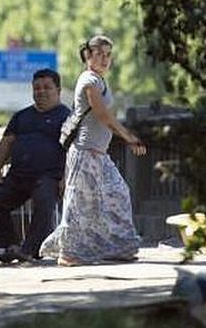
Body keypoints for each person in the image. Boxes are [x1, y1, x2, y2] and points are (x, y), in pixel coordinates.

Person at [40, 35, 146, 266]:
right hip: (84, 152)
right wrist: (128, 137)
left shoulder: (100, 79)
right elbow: (102, 114)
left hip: (99, 153)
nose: (105, 59)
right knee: (79, 204)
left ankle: (119, 247)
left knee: (117, 194)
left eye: (108, 54)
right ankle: (69, 252)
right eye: (99, 54)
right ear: (88, 56)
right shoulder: (89, 80)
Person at [0, 69, 70, 263]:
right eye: (37, 88)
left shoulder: (66, 116)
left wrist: (66, 177)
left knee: (44, 201)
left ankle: (31, 249)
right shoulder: (21, 117)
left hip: (48, 176)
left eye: (46, 87)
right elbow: (6, 142)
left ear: (58, 89)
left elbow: (72, 150)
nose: (41, 92)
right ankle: (11, 245)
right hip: (18, 175)